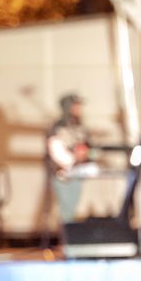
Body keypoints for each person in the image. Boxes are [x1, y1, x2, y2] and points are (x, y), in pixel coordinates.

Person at [46, 92, 90, 222]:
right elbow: (55, 149)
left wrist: (86, 156)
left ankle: (70, 230)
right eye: (76, 105)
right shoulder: (58, 127)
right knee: (66, 209)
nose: (79, 109)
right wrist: (72, 160)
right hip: (63, 174)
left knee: (73, 206)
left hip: (78, 172)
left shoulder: (80, 127)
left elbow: (88, 146)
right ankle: (67, 233)